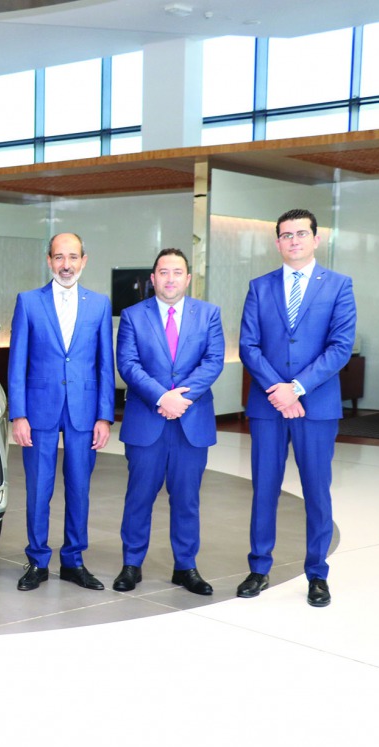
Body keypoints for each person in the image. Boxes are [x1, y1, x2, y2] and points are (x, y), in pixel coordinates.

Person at [239, 209, 356, 607]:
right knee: (264, 489)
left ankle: (317, 574)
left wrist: (298, 388)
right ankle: (258, 568)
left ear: (316, 239)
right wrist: (278, 389)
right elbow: (248, 346)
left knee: (316, 492)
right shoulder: (259, 286)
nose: (294, 240)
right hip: (268, 406)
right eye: (286, 235)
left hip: (316, 406)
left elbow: (340, 347)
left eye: (301, 234)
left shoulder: (339, 285)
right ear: (277, 243)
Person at [113, 248, 224, 595]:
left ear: (188, 278)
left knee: (187, 500)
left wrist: (181, 399)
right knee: (139, 498)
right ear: (153, 278)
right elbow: (128, 364)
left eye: (178, 272)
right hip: (148, 421)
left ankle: (186, 567)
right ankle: (132, 565)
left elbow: (214, 361)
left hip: (192, 423)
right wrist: (163, 397)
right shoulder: (132, 316)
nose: (170, 278)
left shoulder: (209, 314)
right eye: (163, 272)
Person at [8, 232, 115, 592]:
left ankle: (73, 561)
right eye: (58, 257)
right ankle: (38, 561)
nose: (65, 265)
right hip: (38, 410)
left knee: (80, 487)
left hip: (85, 410)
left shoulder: (99, 305)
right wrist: (18, 414)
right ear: (48, 260)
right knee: (38, 489)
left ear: (85, 260)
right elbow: (17, 361)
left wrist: (105, 416)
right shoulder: (28, 302)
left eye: (72, 257)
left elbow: (105, 364)